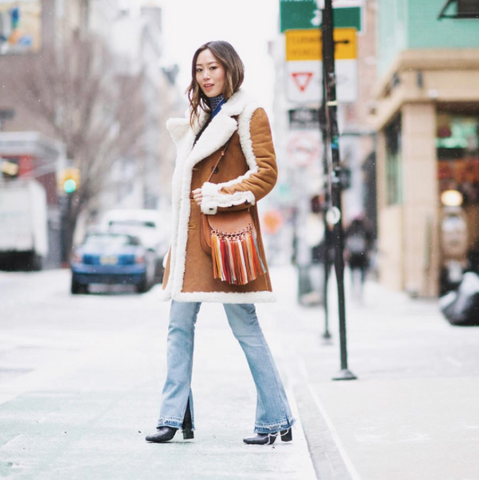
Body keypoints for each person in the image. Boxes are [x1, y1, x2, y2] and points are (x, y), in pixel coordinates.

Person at [145, 41, 295, 446]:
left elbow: (266, 174)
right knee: (178, 328)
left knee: (246, 329)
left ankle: (275, 418)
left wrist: (218, 193)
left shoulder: (249, 113)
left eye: (213, 67)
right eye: (199, 69)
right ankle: (172, 417)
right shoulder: (196, 118)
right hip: (189, 240)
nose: (206, 76)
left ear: (230, 69)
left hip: (225, 242)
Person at [344, 216, 373, 300]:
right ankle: (359, 293)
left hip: (353, 256)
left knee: (353, 276)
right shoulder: (365, 227)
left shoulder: (349, 228)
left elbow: (344, 241)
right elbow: (370, 240)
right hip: (361, 256)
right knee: (361, 276)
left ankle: (354, 293)